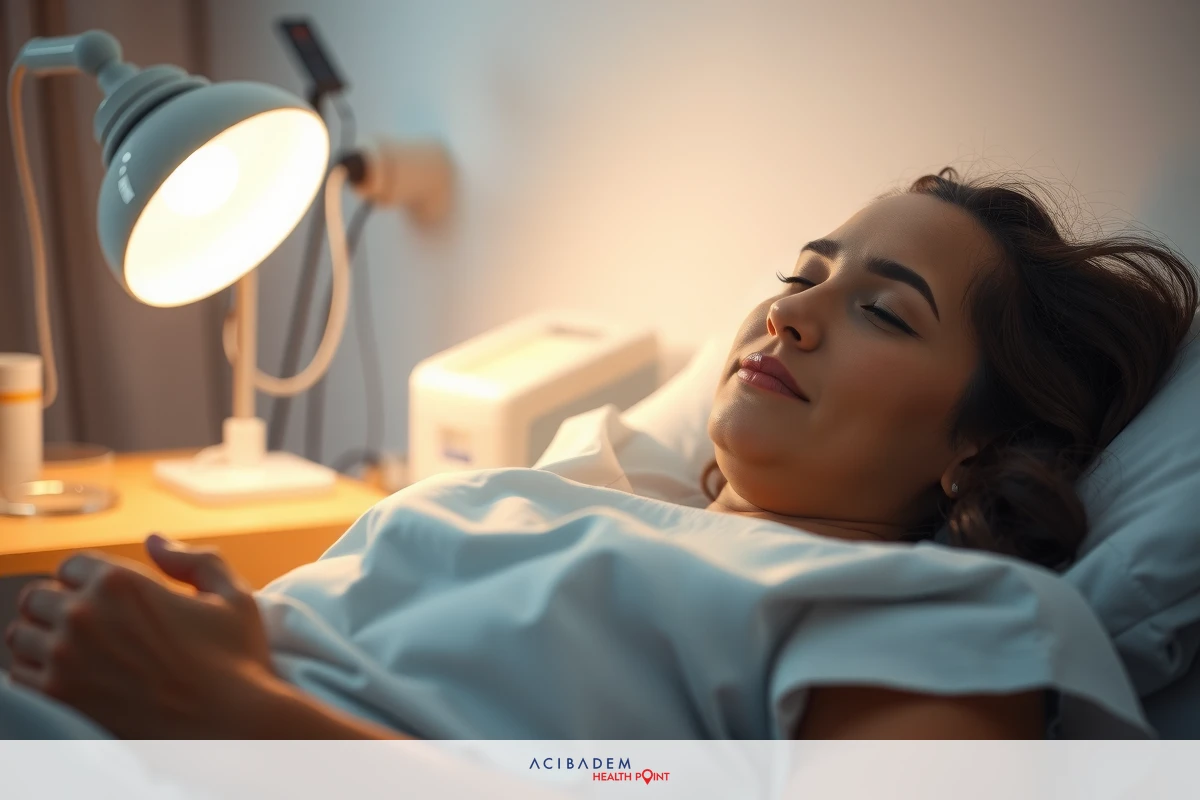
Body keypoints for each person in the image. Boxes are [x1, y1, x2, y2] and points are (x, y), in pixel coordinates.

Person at [5, 167, 1197, 740]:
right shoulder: (544, 492)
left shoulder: (950, 615)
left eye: (884, 310)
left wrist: (233, 715)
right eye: (802, 274)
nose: (789, 313)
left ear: (981, 438)